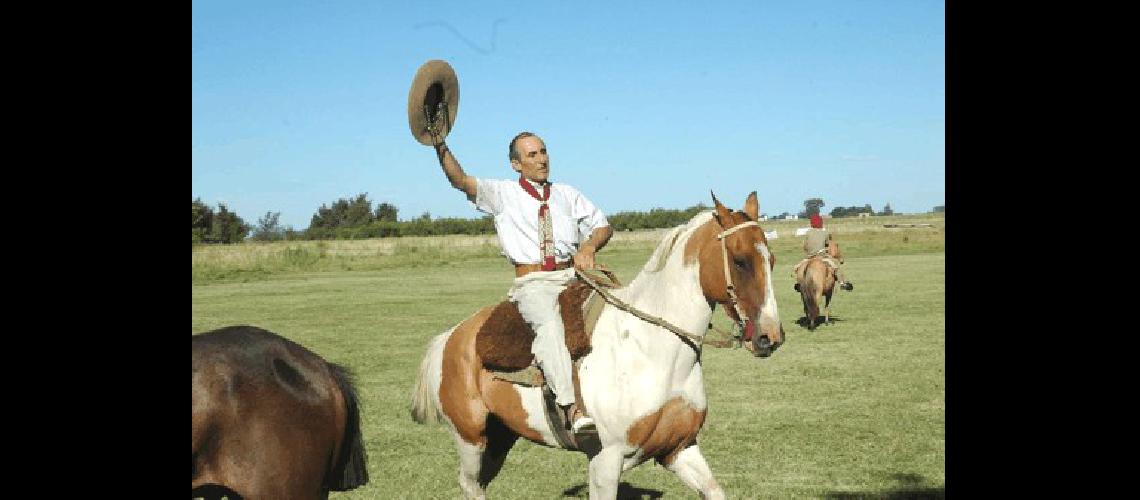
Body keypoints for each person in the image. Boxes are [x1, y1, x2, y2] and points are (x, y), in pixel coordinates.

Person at [430, 130, 613, 434]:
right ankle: (571, 408)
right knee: (550, 328)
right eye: (532, 155)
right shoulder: (501, 194)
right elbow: (460, 180)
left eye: (543, 152)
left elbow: (603, 226)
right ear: (516, 165)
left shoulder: (567, 194)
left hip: (572, 274)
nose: (542, 160)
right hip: (534, 283)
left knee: (619, 306)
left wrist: (589, 246)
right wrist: (440, 146)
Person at [792, 214, 853, 292]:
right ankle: (842, 283)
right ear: (821, 223)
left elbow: (805, 247)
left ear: (812, 223)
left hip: (809, 257)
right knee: (835, 267)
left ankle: (799, 283)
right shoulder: (825, 233)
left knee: (797, 268)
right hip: (822, 257)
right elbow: (827, 244)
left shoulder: (808, 233)